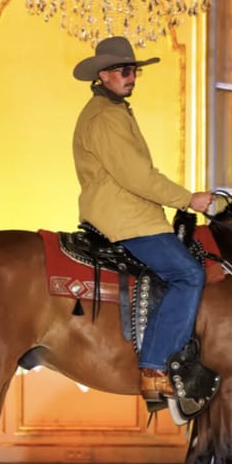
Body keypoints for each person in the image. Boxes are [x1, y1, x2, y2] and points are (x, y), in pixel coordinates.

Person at [71, 36, 216, 401]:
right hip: (126, 217)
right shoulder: (106, 117)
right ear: (104, 75)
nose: (131, 77)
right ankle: (153, 368)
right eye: (124, 71)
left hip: (131, 213)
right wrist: (189, 199)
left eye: (134, 70)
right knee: (189, 274)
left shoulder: (113, 111)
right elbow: (137, 176)